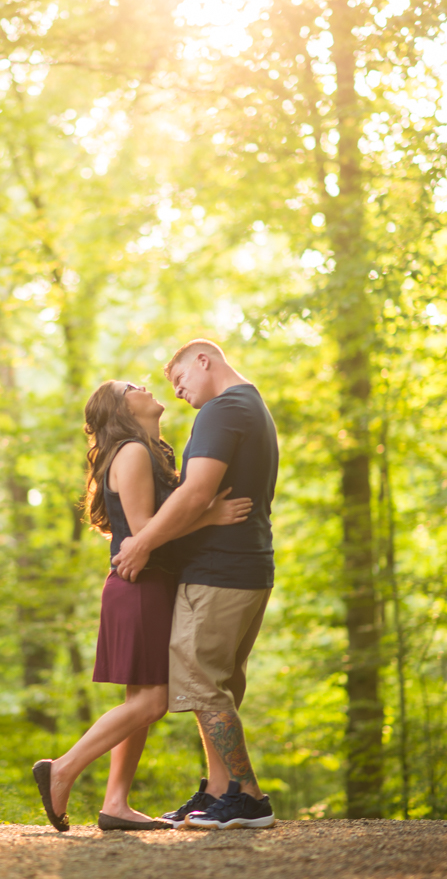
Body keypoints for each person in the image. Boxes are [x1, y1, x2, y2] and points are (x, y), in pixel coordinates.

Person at [32, 378, 251, 832]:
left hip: (150, 585)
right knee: (151, 702)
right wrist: (209, 514)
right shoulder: (131, 451)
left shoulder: (150, 451)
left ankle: (116, 803)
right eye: (132, 386)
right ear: (120, 409)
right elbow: (144, 528)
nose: (147, 385)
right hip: (140, 585)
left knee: (140, 701)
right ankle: (63, 769)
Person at [113, 340, 278, 830]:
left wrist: (142, 544)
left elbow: (196, 492)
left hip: (221, 574)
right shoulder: (250, 406)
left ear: (204, 360)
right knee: (218, 683)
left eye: (180, 377)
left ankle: (247, 795)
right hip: (245, 569)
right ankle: (217, 790)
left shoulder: (223, 410)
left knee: (202, 681)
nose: (178, 391)